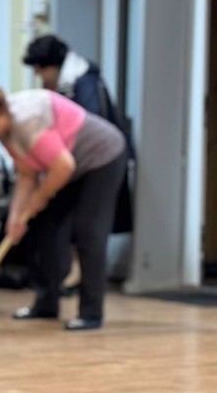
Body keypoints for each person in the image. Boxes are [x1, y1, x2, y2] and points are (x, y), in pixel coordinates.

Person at [0, 82, 126, 330]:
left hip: (102, 157)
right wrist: (16, 219)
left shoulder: (27, 122)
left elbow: (63, 166)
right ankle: (46, 304)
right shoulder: (5, 131)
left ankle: (91, 312)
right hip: (69, 165)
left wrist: (40, 198)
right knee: (46, 229)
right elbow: (27, 175)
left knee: (88, 231)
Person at [21, 34, 134, 302]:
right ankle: (55, 287)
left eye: (40, 68)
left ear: (53, 65)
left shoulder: (85, 83)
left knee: (87, 227)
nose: (38, 75)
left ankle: (84, 288)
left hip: (94, 163)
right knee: (57, 222)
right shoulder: (66, 83)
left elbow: (86, 125)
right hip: (72, 165)